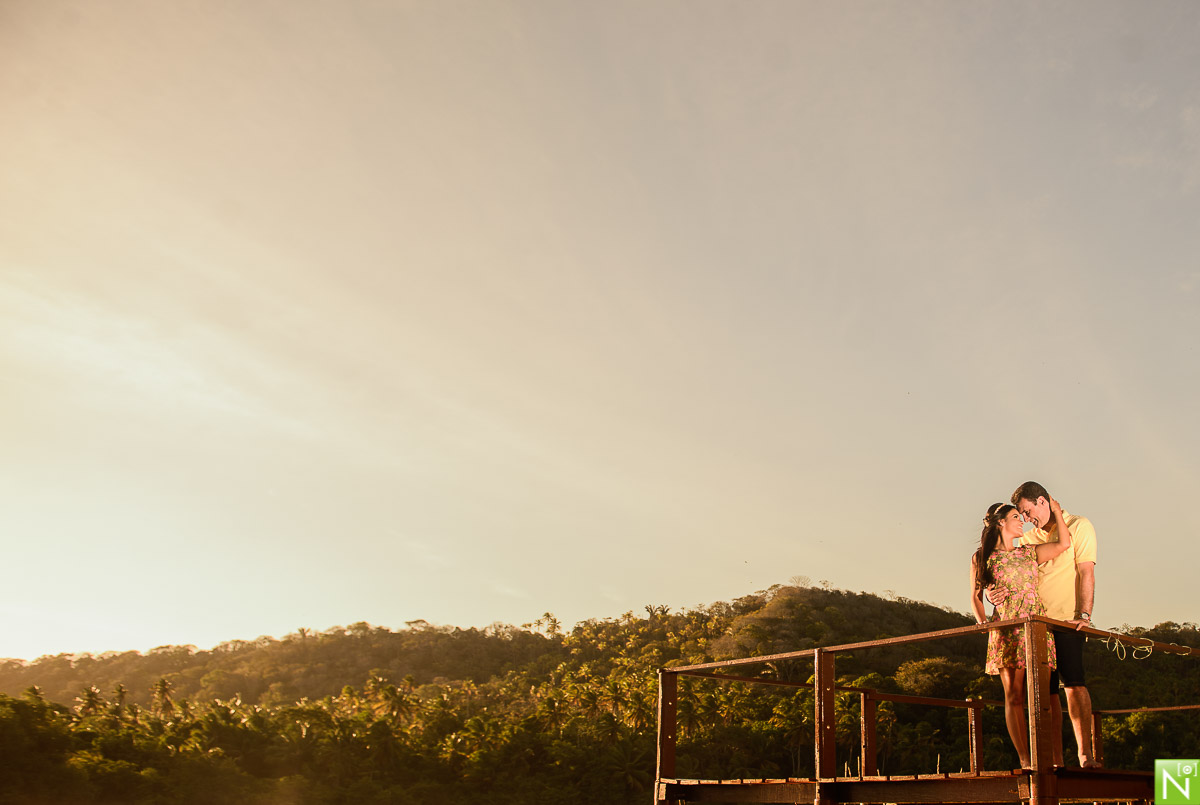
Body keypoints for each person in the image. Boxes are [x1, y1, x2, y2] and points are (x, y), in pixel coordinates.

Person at [969, 499, 1073, 769]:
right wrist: (984, 624)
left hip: (1036, 626)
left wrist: (1058, 513)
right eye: (1016, 516)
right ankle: (1027, 760)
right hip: (1005, 630)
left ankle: (1055, 758)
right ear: (1001, 522)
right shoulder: (982, 557)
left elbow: (1063, 544)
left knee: (1045, 696)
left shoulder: (1028, 553)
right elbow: (976, 597)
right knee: (1014, 696)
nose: (1022, 521)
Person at [1011, 481, 1099, 768]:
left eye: (1026, 511)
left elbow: (1086, 572)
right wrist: (991, 591)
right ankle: (1054, 760)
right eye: (1020, 514)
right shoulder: (1028, 540)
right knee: (1045, 694)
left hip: (1067, 621)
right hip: (1036, 625)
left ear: (1042, 501)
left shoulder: (1079, 525)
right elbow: (1006, 571)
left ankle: (1085, 755)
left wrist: (1084, 615)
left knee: (1074, 684)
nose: (1025, 519)